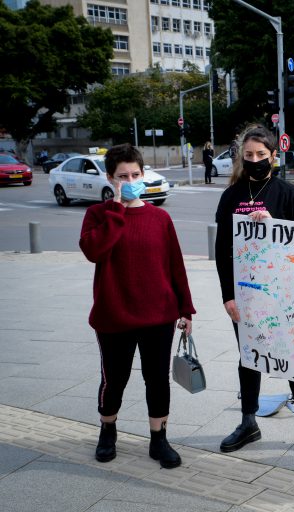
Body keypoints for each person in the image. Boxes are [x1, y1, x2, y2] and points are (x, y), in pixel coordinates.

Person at [214, 125, 294, 458]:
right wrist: (228, 296)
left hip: (285, 298)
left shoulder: (289, 194)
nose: (255, 160)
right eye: (249, 155)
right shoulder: (231, 197)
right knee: (249, 359)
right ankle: (248, 422)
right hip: (246, 298)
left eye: (261, 155)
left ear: (273, 157)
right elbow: (223, 249)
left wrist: (275, 228)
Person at [79, 143, 195, 469]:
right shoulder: (98, 215)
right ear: (110, 178)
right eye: (121, 176)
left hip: (159, 314)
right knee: (114, 379)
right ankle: (107, 430)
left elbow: (175, 266)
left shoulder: (159, 218)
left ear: (143, 175)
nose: (129, 180)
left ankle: (159, 438)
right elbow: (94, 251)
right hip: (113, 315)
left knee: (157, 379)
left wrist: (186, 309)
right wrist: (117, 207)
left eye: (135, 174)